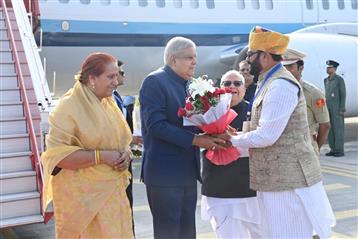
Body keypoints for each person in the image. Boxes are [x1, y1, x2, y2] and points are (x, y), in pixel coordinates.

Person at [229, 26, 335, 238]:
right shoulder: (268, 82)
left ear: (266, 56)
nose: (248, 60)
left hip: (288, 183)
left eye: (251, 55)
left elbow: (267, 135)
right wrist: (237, 135)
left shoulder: (280, 86)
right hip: (275, 180)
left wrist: (231, 140)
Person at [139, 36, 227, 239]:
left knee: (187, 233)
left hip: (187, 172)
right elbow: (156, 126)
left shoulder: (188, 85)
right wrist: (196, 140)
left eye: (195, 57)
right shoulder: (155, 82)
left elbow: (193, 123)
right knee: (169, 233)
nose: (195, 62)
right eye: (189, 57)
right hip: (164, 175)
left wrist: (215, 132)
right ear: (172, 59)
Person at [41, 52, 134, 238]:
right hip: (82, 202)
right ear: (92, 78)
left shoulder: (108, 103)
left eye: (117, 76)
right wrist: (102, 157)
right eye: (110, 76)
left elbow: (121, 141)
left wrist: (126, 155)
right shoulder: (68, 107)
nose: (117, 82)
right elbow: (58, 156)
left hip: (112, 196)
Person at [201, 70, 261, 238]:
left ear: (244, 87)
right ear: (220, 87)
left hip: (249, 187)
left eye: (237, 83)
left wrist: (235, 140)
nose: (232, 87)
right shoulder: (206, 112)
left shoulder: (255, 111)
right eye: (227, 83)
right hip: (219, 187)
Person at [282, 48, 330, 155]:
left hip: (305, 147)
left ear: (301, 68)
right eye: (283, 67)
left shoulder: (312, 93)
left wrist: (315, 148)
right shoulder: (278, 91)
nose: (286, 71)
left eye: (290, 66)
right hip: (283, 148)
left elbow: (325, 124)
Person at [324, 60, 346, 157]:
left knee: (338, 129)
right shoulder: (326, 80)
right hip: (328, 107)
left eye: (330, 67)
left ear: (335, 69)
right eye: (327, 67)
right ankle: (333, 149)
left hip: (337, 108)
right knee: (330, 129)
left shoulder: (339, 80)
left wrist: (342, 108)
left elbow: (343, 94)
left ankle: (339, 150)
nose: (328, 69)